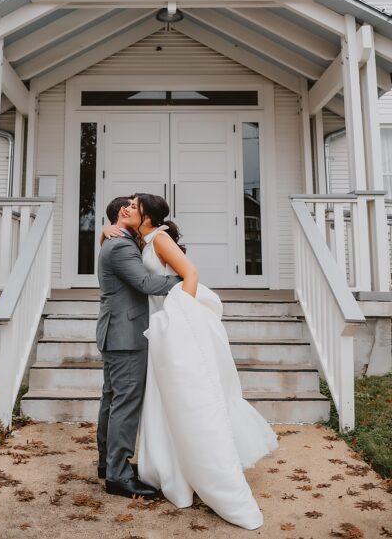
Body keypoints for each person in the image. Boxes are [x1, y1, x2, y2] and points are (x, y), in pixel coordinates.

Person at [105, 194, 278, 530]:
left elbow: (191, 274)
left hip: (175, 324)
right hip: (157, 327)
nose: (128, 207)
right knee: (162, 401)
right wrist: (105, 230)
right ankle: (170, 469)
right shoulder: (140, 240)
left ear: (148, 215)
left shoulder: (160, 239)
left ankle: (207, 473)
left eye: (134, 204)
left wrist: (178, 319)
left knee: (190, 400)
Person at [95, 196, 182, 499]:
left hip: (116, 332)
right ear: (121, 214)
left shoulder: (115, 241)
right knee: (125, 403)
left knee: (112, 400)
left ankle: (108, 464)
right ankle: (118, 475)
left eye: (135, 206)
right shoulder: (120, 246)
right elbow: (145, 283)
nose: (131, 209)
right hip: (126, 335)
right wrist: (182, 280)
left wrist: (103, 232)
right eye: (128, 207)